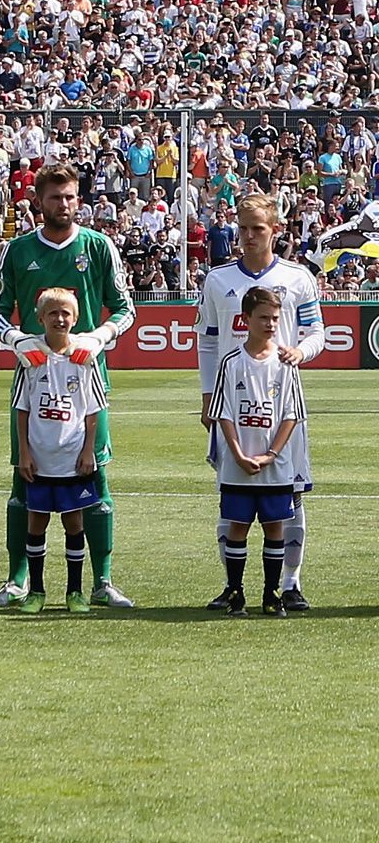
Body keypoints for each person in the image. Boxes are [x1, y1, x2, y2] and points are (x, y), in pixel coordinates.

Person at [0, 164, 135, 608]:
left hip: (87, 381)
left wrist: (98, 337)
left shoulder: (99, 246)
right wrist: (18, 340)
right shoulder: (17, 250)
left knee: (96, 477)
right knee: (24, 480)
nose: (64, 205)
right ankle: (18, 580)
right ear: (39, 201)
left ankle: (102, 581)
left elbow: (125, 309)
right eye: (55, 197)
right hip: (33, 380)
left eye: (70, 197)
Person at [196, 194, 324, 610]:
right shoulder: (218, 279)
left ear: (275, 230)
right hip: (232, 406)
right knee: (230, 494)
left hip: (281, 405)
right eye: (243, 227)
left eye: (258, 228)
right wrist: (207, 395)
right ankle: (231, 586)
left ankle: (290, 583)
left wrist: (300, 352)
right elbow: (208, 342)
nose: (248, 236)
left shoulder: (298, 277)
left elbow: (317, 332)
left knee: (292, 497)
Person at [205, 287, 306, 618]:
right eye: (264, 317)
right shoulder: (231, 362)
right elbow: (223, 413)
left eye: (275, 318)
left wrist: (271, 455)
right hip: (238, 465)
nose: (271, 323)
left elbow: (291, 415)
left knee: (275, 527)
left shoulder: (285, 363)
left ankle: (271, 593)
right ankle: (236, 593)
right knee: (238, 526)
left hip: (275, 466)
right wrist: (236, 454)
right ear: (245, 319)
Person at [9, 289, 105, 615]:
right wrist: (23, 451)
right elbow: (21, 409)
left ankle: (75, 591)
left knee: (74, 523)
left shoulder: (83, 360)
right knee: (36, 523)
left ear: (75, 319)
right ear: (40, 318)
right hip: (39, 457)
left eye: (66, 313)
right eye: (53, 313)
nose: (60, 318)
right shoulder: (31, 361)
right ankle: (36, 591)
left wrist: (89, 450)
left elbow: (93, 412)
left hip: (72, 458)